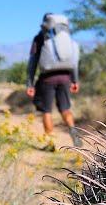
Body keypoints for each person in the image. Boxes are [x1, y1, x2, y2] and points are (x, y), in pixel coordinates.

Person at [26, 13, 82, 149]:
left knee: (47, 111)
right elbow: (73, 61)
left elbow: (33, 61)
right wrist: (75, 80)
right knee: (65, 108)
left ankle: (51, 143)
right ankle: (73, 132)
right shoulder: (66, 37)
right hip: (65, 77)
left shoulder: (40, 37)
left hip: (47, 78)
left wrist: (30, 83)